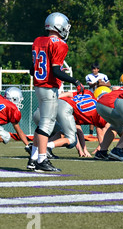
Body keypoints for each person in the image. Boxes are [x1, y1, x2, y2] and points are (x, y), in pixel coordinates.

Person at [30, 12, 85, 172]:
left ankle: (33, 158)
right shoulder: (59, 43)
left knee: (43, 123)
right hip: (48, 87)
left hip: (38, 85)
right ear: (59, 26)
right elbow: (55, 71)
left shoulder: (38, 41)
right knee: (47, 124)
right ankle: (41, 160)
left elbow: (31, 69)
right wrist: (75, 81)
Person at [85, 62, 111, 135]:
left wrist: (100, 83)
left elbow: (109, 84)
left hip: (102, 95)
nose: (94, 70)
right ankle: (91, 133)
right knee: (93, 114)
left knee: (104, 114)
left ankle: (104, 131)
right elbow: (90, 85)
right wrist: (97, 82)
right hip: (93, 96)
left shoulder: (103, 76)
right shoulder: (88, 76)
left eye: (95, 69)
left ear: (98, 69)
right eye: (93, 69)